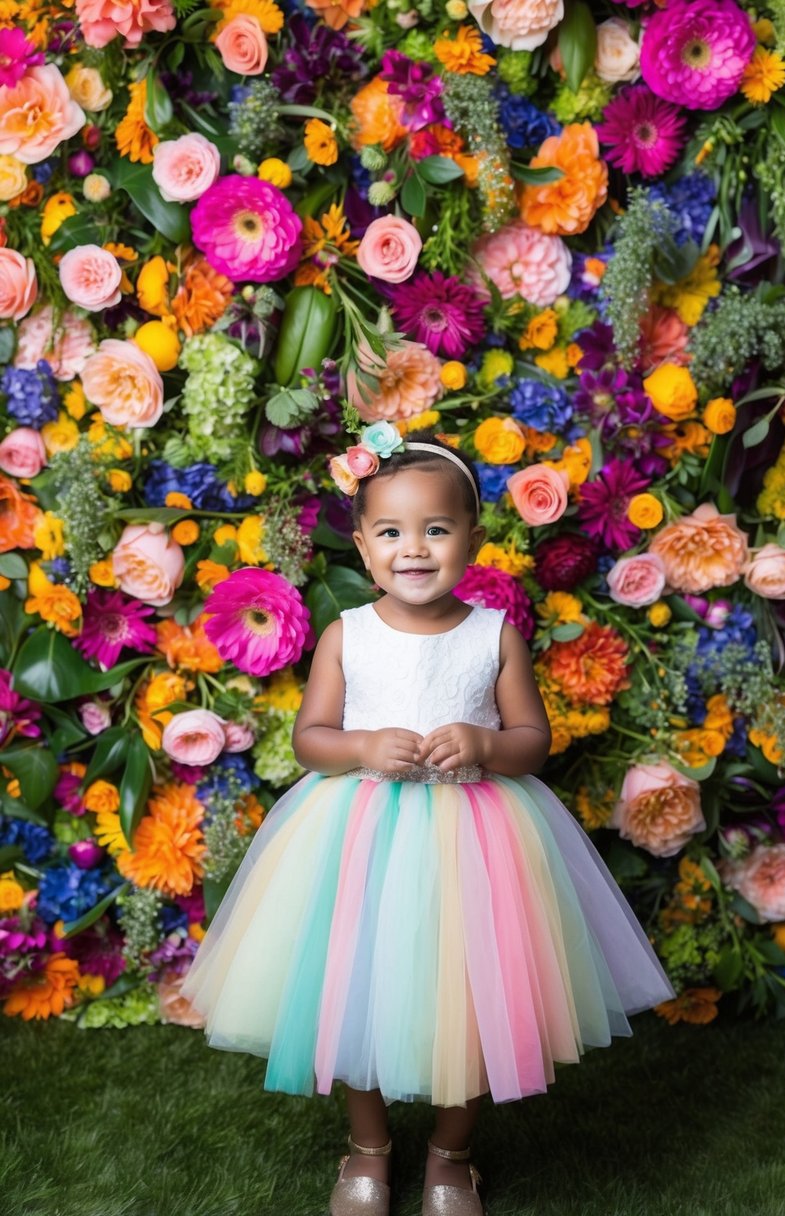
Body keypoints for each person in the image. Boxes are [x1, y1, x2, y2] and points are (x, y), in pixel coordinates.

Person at [182, 425, 675, 1216]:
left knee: (475, 1001)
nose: (413, 548)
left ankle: (452, 1155)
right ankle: (367, 1149)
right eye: (390, 532)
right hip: (358, 835)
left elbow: (532, 744)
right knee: (357, 990)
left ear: (472, 540)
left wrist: (483, 741)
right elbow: (311, 741)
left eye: (435, 529)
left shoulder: (494, 636)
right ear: (363, 545)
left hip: (478, 842)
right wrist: (364, 744)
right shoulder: (348, 635)